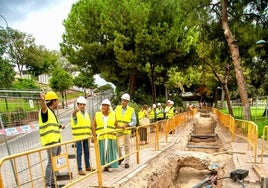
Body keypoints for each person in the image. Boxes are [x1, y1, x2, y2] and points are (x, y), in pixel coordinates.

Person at [39, 91, 65, 188]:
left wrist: (60, 125)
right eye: (56, 100)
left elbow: (53, 124)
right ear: (53, 101)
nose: (57, 102)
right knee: (51, 163)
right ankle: (48, 185)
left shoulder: (52, 112)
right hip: (50, 141)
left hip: (57, 140)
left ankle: (54, 183)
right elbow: (43, 108)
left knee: (55, 162)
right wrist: (42, 100)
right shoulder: (45, 111)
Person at [92, 99, 118, 172]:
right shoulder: (97, 114)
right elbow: (93, 125)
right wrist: (94, 136)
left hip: (110, 136)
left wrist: (122, 126)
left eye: (105, 106)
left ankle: (109, 165)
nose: (103, 107)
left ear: (108, 107)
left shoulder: (113, 114)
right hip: (101, 137)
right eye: (102, 105)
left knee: (110, 151)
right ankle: (104, 166)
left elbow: (116, 124)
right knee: (102, 152)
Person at [70, 96, 94, 176]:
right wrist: (75, 111)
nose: (82, 106)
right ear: (78, 105)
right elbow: (74, 116)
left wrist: (91, 134)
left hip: (86, 137)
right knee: (79, 152)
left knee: (87, 152)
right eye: (81, 104)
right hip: (79, 137)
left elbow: (89, 125)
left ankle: (87, 166)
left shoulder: (86, 114)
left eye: (84, 104)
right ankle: (79, 168)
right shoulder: (76, 113)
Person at [115, 93, 137, 168]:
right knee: (116, 144)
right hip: (118, 129)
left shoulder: (131, 110)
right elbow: (113, 118)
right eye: (122, 100)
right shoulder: (117, 108)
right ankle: (120, 157)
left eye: (125, 101)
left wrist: (127, 125)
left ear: (128, 101)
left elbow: (134, 121)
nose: (123, 102)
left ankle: (127, 161)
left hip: (126, 130)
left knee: (127, 146)